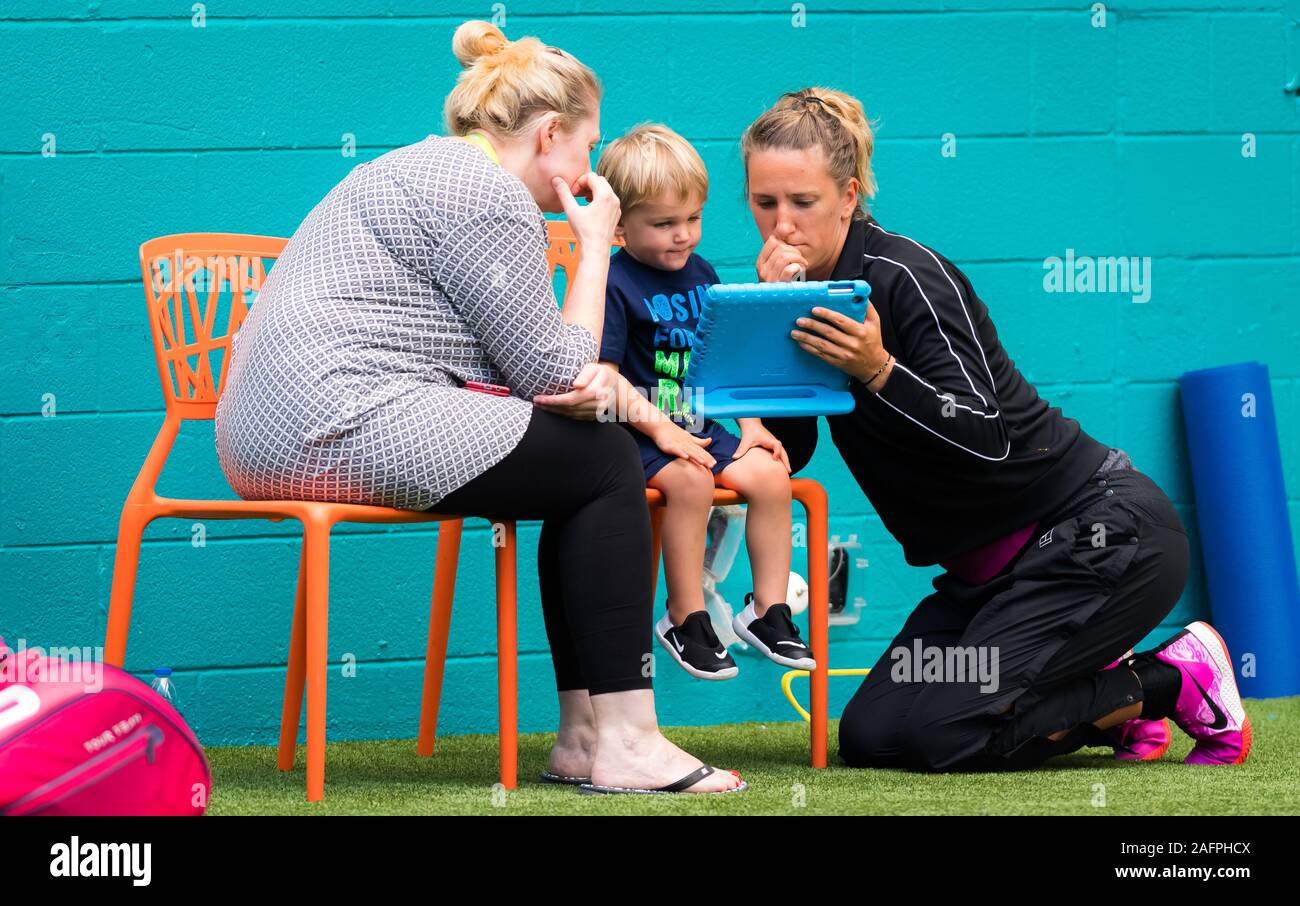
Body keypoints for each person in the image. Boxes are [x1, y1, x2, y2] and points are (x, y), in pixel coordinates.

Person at [215, 20, 746, 795]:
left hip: (266, 432)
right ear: (552, 134)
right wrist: (595, 243)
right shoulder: (488, 193)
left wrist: (585, 383)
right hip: (339, 418)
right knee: (600, 458)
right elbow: (558, 372)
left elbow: (518, 366)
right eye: (588, 148)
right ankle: (625, 738)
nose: (593, 169)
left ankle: (586, 738)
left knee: (576, 463)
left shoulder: (418, 167)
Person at [741, 87, 1251, 771]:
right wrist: (770, 336)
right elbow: (795, 443)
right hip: (990, 581)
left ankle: (1174, 678)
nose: (781, 226)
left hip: (1098, 536)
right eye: (763, 203)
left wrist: (878, 369)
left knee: (945, 732)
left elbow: (984, 435)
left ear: (848, 195)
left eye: (801, 202)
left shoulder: (908, 277)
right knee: (873, 735)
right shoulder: (803, 299)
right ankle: (1099, 691)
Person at [593, 123, 814, 681]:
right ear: (619, 226)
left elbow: (723, 363)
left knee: (769, 475)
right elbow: (606, 379)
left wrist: (753, 425)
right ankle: (684, 616)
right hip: (636, 434)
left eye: (692, 218)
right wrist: (662, 433)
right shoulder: (613, 283)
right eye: (664, 224)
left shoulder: (702, 275)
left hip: (695, 426)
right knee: (689, 483)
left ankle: (767, 611)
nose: (683, 235)